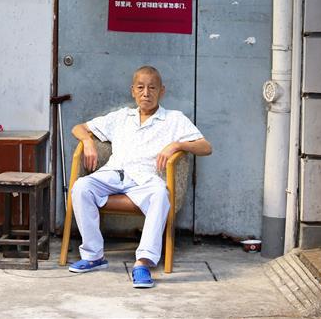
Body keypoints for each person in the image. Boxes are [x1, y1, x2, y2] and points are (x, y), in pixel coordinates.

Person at [67, 66, 212, 289]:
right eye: (141, 88)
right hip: (114, 174)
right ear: (133, 91)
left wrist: (177, 145)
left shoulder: (174, 119)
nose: (146, 93)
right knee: (81, 187)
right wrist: (88, 142)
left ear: (161, 91)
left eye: (152, 88)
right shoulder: (120, 117)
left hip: (146, 180)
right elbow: (79, 128)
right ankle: (94, 256)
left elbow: (205, 147)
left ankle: (143, 262)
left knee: (160, 195)